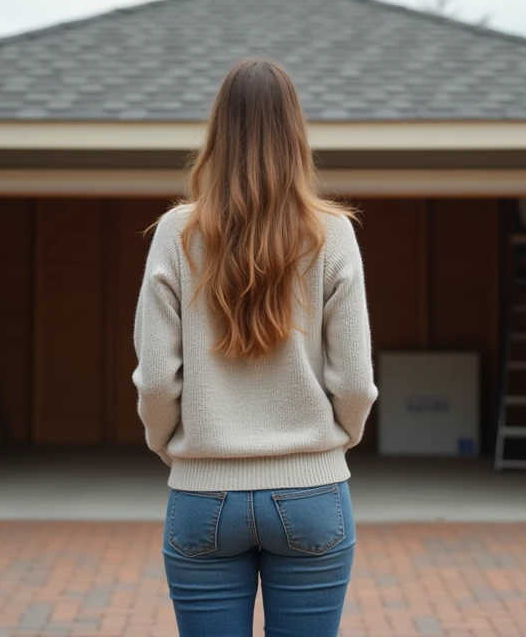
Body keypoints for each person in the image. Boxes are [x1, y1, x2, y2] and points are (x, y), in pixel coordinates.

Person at [132, 57, 378, 637]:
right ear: (296, 135)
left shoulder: (176, 233)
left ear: (217, 133)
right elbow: (354, 383)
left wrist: (171, 447)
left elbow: (157, 380)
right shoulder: (332, 233)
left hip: (202, 496)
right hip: (313, 493)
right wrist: (332, 445)